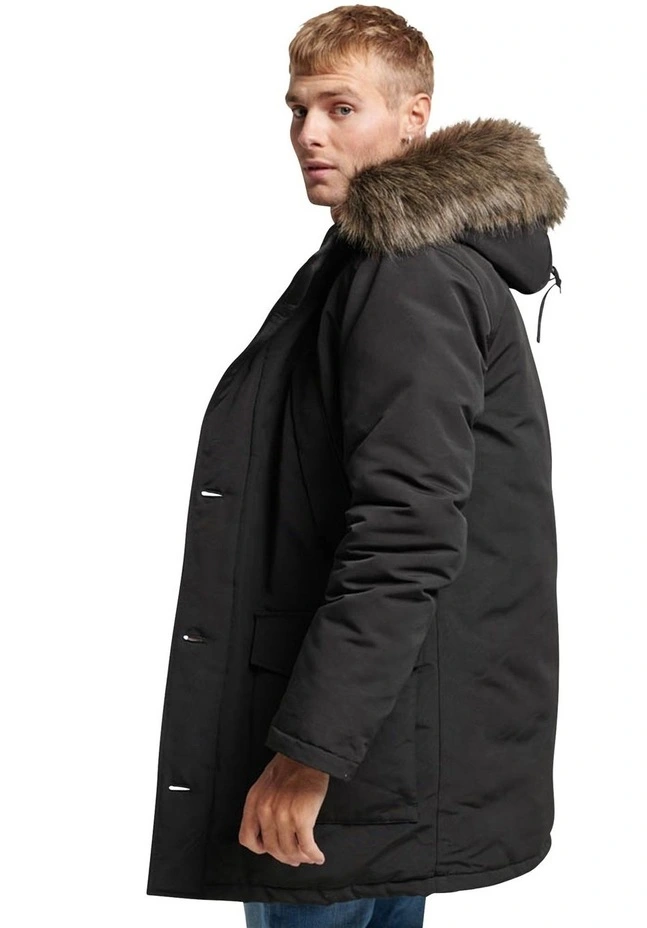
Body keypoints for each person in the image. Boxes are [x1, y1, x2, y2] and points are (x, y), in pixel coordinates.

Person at [146, 5, 568, 927]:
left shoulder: (408, 275)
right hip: (390, 738)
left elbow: (406, 535)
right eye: (297, 109)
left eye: (341, 108)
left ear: (414, 117)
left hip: (357, 758)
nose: (309, 133)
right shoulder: (395, 261)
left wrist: (309, 756)